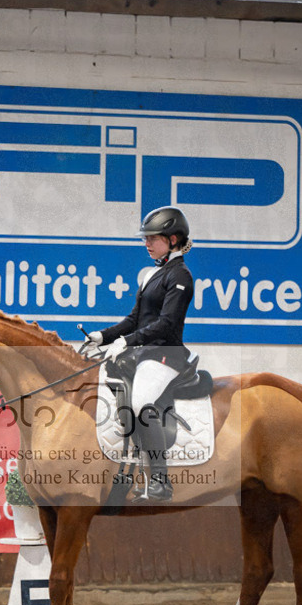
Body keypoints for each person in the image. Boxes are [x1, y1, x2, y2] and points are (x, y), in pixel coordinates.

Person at [88, 206, 196, 503]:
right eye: (145, 238)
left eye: (152, 238)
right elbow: (135, 319)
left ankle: (161, 481)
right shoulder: (153, 274)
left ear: (172, 239)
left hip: (165, 355)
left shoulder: (181, 276)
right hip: (145, 353)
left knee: (140, 402)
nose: (146, 243)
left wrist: (127, 341)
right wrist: (103, 336)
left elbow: (167, 323)